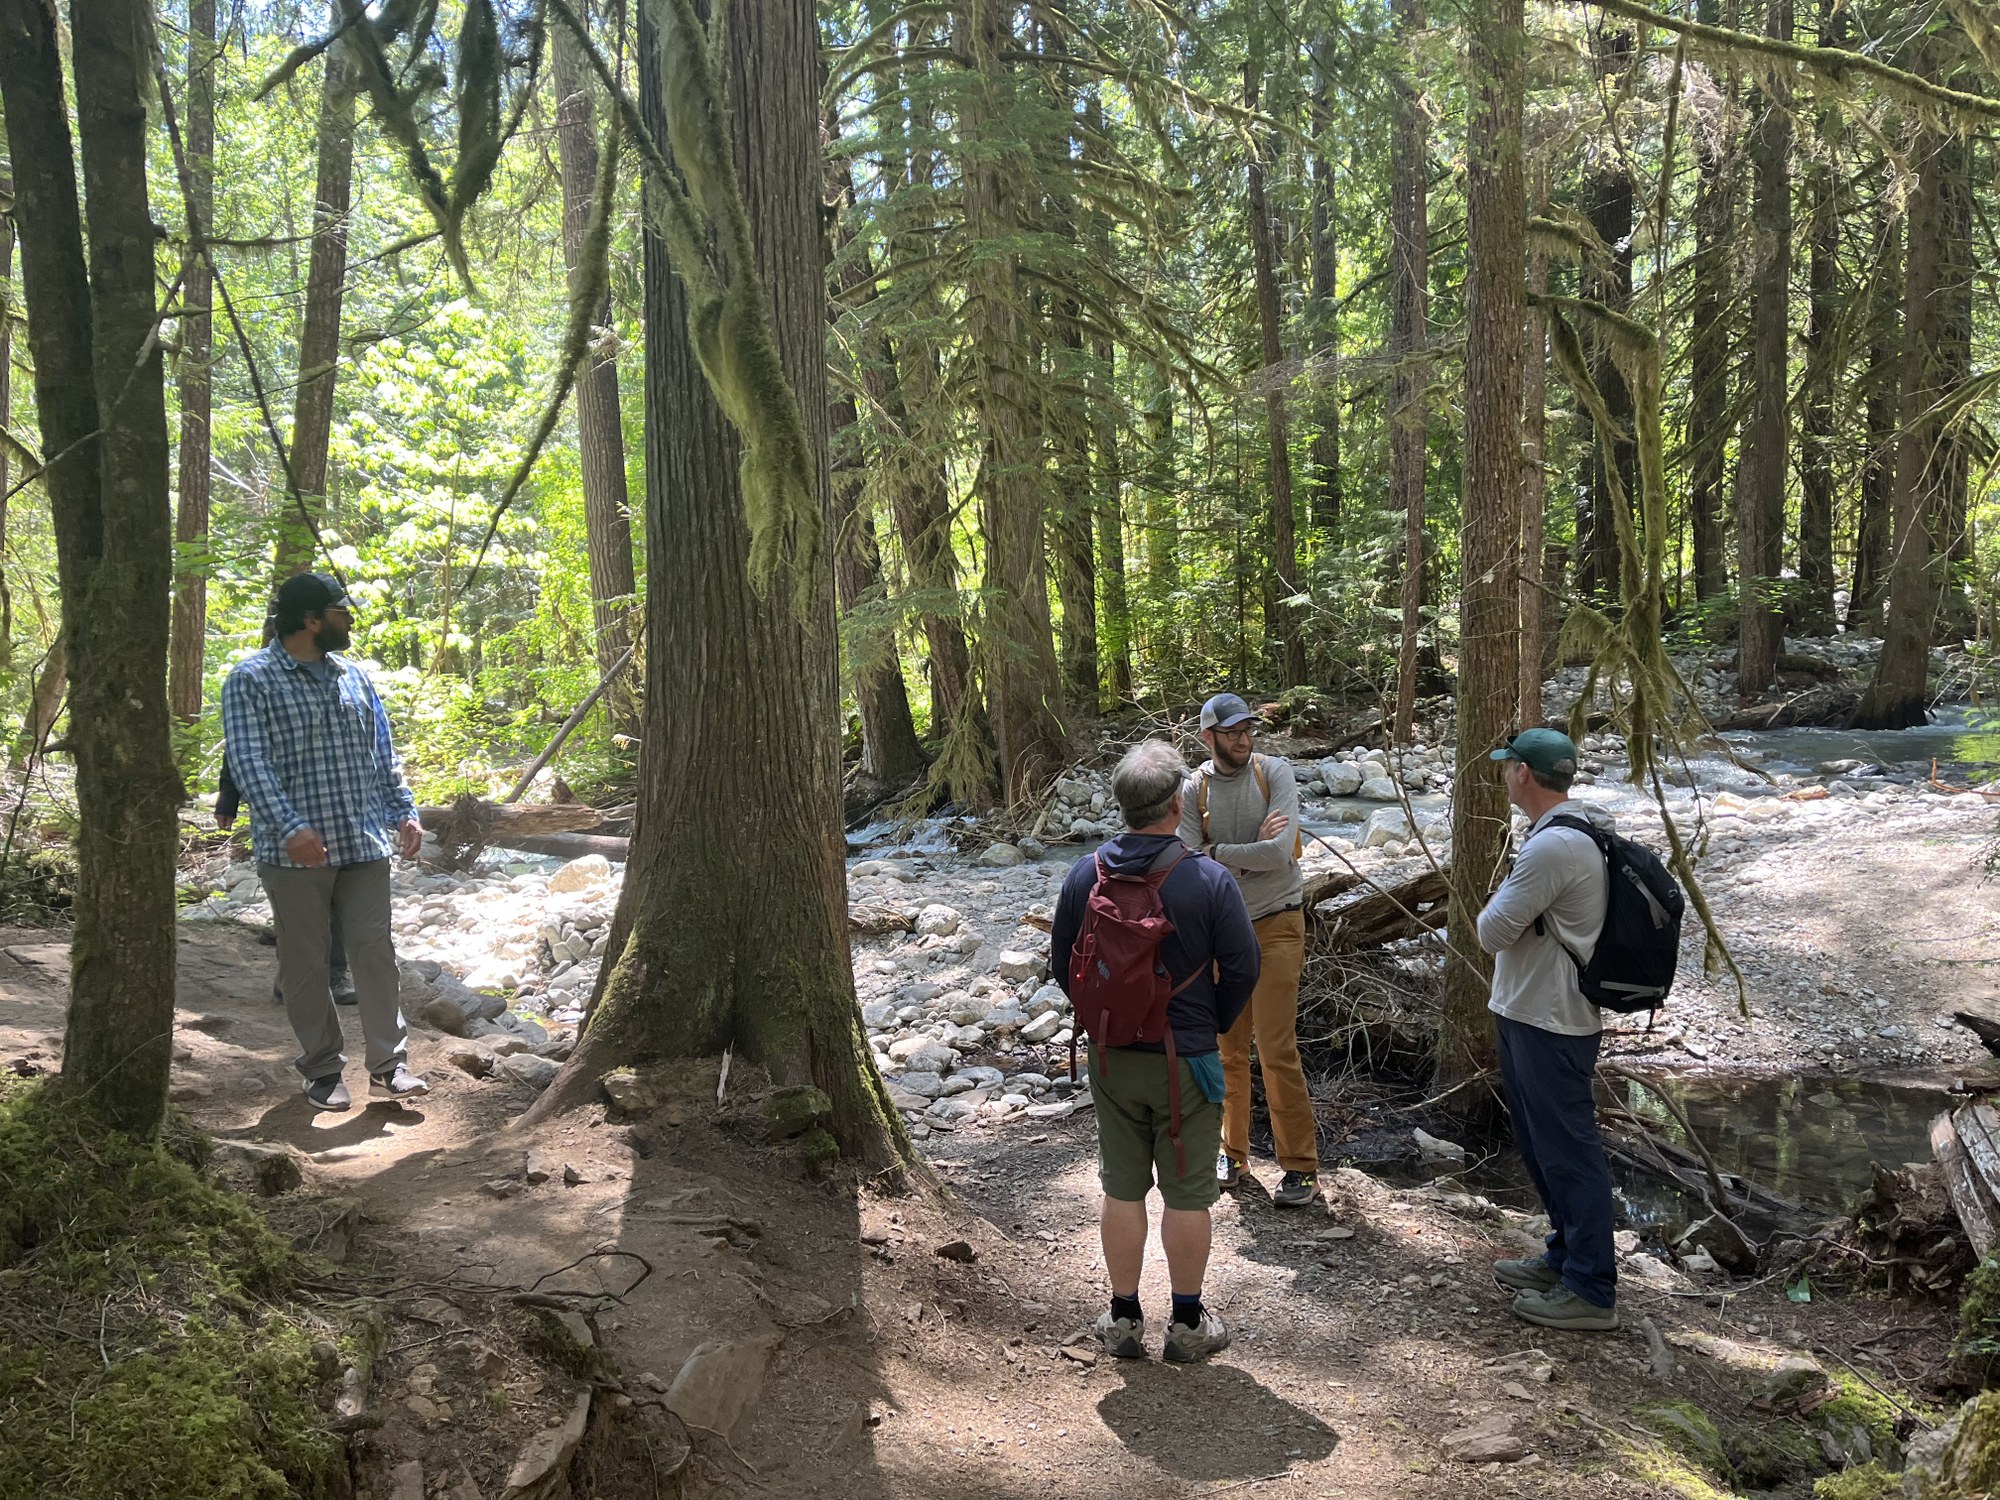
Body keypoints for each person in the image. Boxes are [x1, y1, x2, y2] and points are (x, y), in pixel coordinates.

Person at [1053, 739, 1261, 1363]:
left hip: (1113, 1057)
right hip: (1187, 1061)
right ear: (1177, 805)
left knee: (1121, 1188)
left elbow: (1063, 965)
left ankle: (1122, 1320)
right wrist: (1210, 1023)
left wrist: (1107, 1019)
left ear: (1123, 807)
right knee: (1187, 1193)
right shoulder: (1209, 878)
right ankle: (1188, 1324)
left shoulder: (1085, 874)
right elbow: (1244, 966)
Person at [222, 573, 429, 1111]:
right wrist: (290, 828)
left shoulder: (354, 676)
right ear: (312, 620)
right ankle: (321, 1069)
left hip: (363, 843)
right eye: (341, 612)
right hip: (294, 855)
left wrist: (404, 812)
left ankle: (389, 1066)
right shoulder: (251, 679)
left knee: (375, 952)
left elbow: (383, 754)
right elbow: (248, 763)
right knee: (306, 963)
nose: (350, 620)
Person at [1477, 728, 1618, 1332]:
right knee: (1541, 1147)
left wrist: (1496, 904)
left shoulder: (1553, 846)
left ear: (1524, 774)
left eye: (1507, 766)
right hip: (1531, 1009)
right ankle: (1564, 1258)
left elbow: (1491, 931)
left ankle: (1591, 1289)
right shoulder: (1567, 832)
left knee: (1569, 1151)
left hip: (1551, 1018)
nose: (1505, 775)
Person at [1180, 692, 1319, 1207]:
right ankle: (1232, 1154)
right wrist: (1243, 853)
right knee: (1228, 1050)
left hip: (1278, 921)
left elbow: (1279, 853)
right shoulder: (1194, 788)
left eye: (1247, 730)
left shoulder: (1273, 772)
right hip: (1221, 932)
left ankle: (1300, 1167)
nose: (1243, 739)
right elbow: (1184, 861)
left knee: (1277, 1047)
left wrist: (1216, 852)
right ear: (1208, 737)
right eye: (1232, 731)